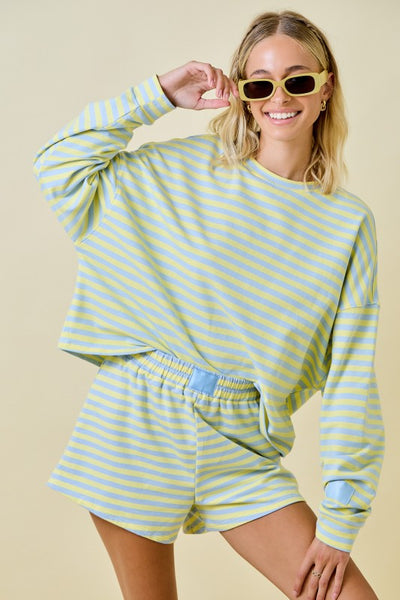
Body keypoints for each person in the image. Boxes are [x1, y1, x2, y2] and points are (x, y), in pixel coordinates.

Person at [33, 9, 384, 600]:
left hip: (241, 441)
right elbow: (58, 166)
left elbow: (351, 374)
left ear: (325, 90)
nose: (279, 98)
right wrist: (156, 96)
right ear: (243, 94)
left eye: (298, 81)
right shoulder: (186, 168)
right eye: (260, 84)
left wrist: (342, 516)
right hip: (137, 417)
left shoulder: (348, 224)